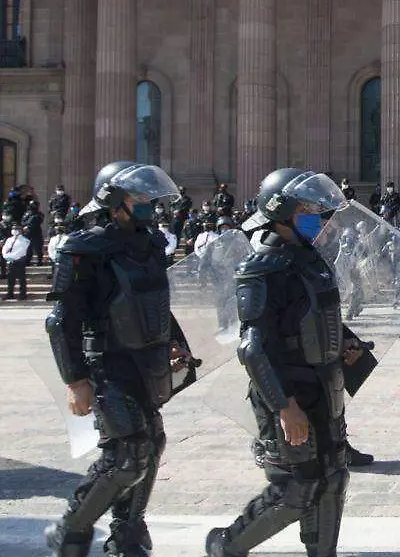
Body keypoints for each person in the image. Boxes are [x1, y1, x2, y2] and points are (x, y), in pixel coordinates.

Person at [206, 168, 365, 557]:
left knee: (332, 479)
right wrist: (284, 406)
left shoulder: (310, 260)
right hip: (288, 392)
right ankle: (227, 546)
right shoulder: (262, 267)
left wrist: (345, 343)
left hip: (324, 387)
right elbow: (254, 347)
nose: (321, 218)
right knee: (297, 486)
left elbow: (315, 316)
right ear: (283, 211)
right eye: (311, 210)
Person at [44, 161, 193, 556]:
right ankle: (70, 528)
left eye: (150, 198)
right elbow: (60, 321)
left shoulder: (149, 244)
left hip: (147, 364)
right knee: (126, 455)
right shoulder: (84, 248)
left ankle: (127, 536)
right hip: (108, 364)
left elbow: (157, 301)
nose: (148, 206)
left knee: (150, 445)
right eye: (139, 199)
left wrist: (173, 342)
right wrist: (75, 381)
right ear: (113, 201)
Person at [3, 224, 30, 299]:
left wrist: (12, 257)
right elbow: (5, 249)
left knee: (21, 279)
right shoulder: (9, 239)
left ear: (20, 231)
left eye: (16, 229)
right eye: (13, 229)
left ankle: (22, 294)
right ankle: (10, 293)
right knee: (10, 279)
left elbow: (21, 251)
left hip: (19, 261)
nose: (14, 231)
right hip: (10, 261)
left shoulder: (25, 240)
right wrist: (6, 256)